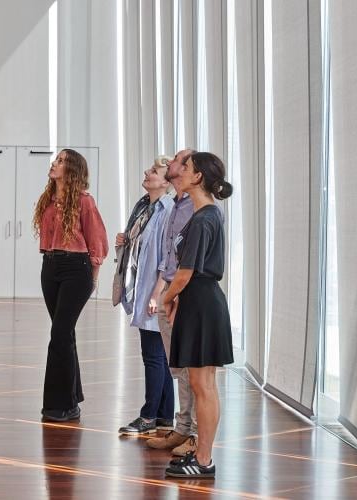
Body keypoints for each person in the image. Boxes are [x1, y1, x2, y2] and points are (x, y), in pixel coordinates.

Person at [163, 152, 234, 479]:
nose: (181, 171)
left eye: (187, 168)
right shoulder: (204, 214)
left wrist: (167, 297)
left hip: (202, 302)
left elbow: (184, 272)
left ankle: (203, 460)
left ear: (198, 178)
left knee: (203, 385)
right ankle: (201, 454)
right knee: (200, 382)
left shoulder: (205, 217)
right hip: (199, 302)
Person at [33, 149, 109, 422]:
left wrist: (94, 277)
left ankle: (59, 405)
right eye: (57, 159)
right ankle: (73, 398)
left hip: (77, 269)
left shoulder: (84, 201)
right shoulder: (49, 201)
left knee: (59, 335)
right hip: (50, 267)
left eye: (62, 161)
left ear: (73, 170)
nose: (55, 163)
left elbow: (98, 242)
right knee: (65, 335)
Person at [114, 156, 176, 436]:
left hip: (153, 291)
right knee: (159, 356)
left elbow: (167, 258)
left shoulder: (166, 211)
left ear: (166, 182)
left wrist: (156, 294)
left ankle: (148, 416)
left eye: (153, 171)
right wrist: (125, 242)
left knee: (153, 356)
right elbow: (141, 248)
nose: (146, 172)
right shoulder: (144, 206)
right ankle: (164, 416)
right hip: (142, 287)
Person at [146, 149, 199, 456]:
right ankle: (182, 428)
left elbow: (190, 261)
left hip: (185, 294)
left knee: (191, 370)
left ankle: (191, 433)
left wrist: (172, 294)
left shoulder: (196, 207)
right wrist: (161, 293)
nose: (173, 163)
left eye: (180, 160)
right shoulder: (175, 204)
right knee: (177, 366)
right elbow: (168, 257)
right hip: (170, 291)